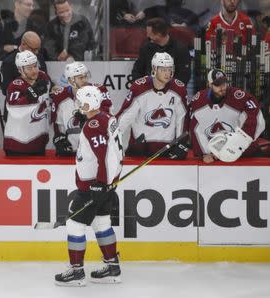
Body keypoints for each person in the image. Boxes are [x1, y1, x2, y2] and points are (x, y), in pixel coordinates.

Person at [54, 85, 123, 286]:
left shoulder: (94, 125)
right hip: (105, 185)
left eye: (80, 102)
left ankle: (76, 272)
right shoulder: (106, 119)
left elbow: (105, 156)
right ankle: (112, 268)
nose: (78, 105)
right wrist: (109, 183)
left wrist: (100, 184)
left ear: (89, 103)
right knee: (102, 223)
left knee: (75, 224)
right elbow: (116, 155)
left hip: (93, 186)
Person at [116, 52, 188, 159]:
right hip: (140, 149)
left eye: (169, 69)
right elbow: (126, 116)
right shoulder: (139, 88)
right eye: (163, 70)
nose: (167, 73)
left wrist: (181, 143)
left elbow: (182, 118)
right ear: (154, 69)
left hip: (167, 149)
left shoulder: (178, 89)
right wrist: (113, 139)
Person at [189, 68, 265, 163]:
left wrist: (239, 143)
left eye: (224, 83)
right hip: (215, 156)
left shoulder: (239, 97)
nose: (222, 87)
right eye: (217, 85)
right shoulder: (199, 100)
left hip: (245, 153)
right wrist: (205, 152)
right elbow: (195, 128)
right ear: (209, 84)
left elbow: (257, 118)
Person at [51, 61, 112, 156]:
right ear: (71, 80)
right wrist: (60, 139)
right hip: (71, 151)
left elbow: (108, 117)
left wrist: (90, 118)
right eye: (81, 78)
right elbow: (58, 125)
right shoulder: (60, 96)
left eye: (86, 76)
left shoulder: (98, 91)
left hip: (95, 149)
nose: (85, 80)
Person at [3, 50, 51, 156]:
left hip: (39, 142)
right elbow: (14, 109)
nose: (34, 71)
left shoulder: (43, 77)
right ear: (20, 69)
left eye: (35, 66)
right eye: (29, 68)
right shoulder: (15, 85)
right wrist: (31, 95)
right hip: (18, 144)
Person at [132, 17, 191, 85]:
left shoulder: (180, 49)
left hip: (171, 90)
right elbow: (137, 70)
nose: (147, 35)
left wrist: (168, 88)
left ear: (158, 34)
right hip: (148, 88)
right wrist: (142, 86)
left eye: (149, 33)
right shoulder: (146, 47)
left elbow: (184, 75)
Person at [0, 31, 48, 96]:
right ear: (23, 44)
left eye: (38, 49)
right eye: (33, 49)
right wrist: (30, 91)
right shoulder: (9, 62)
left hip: (39, 102)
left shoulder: (39, 57)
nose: (36, 52)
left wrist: (52, 87)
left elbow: (45, 77)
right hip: (19, 103)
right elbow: (6, 90)